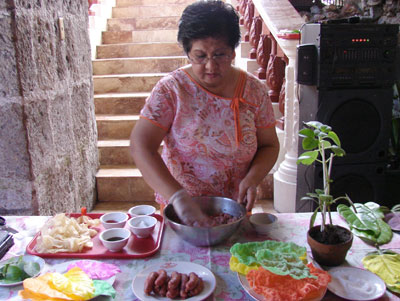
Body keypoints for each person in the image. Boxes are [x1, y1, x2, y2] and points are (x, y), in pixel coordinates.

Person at [129, 0, 280, 226]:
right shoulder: (172, 90)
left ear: (232, 51)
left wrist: (252, 179)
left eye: (220, 55)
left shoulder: (254, 91)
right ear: (188, 52)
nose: (210, 66)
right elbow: (140, 145)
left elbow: (269, 145)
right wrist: (178, 198)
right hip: (182, 211)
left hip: (233, 208)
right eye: (200, 56)